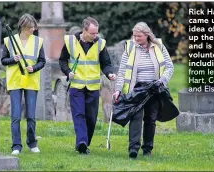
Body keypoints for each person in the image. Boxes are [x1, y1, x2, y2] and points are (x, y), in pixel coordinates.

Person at [113, 22, 174, 159]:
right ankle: (133, 149)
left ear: (147, 35)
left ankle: (147, 149)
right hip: (136, 89)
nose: (136, 39)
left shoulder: (159, 46)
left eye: (139, 36)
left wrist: (162, 81)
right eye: (134, 36)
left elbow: (170, 67)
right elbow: (122, 71)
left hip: (154, 88)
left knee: (151, 119)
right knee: (135, 117)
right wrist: (118, 90)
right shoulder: (129, 48)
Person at [59, 17, 116, 154]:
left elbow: (106, 64)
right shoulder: (70, 41)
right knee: (79, 115)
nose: (95, 36)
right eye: (92, 33)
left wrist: (109, 74)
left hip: (93, 87)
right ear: (84, 30)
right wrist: (68, 72)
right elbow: (62, 60)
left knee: (91, 118)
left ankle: (84, 142)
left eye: (96, 33)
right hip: (76, 86)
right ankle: (82, 143)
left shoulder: (100, 44)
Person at [1, 13, 46, 155]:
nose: (33, 29)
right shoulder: (9, 41)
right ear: (23, 27)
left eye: (34, 27)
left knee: (31, 116)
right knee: (15, 116)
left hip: (31, 82)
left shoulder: (38, 42)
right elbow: (3, 60)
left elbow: (42, 61)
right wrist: (13, 59)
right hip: (15, 81)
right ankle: (16, 146)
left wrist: (34, 68)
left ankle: (32, 143)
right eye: (30, 27)